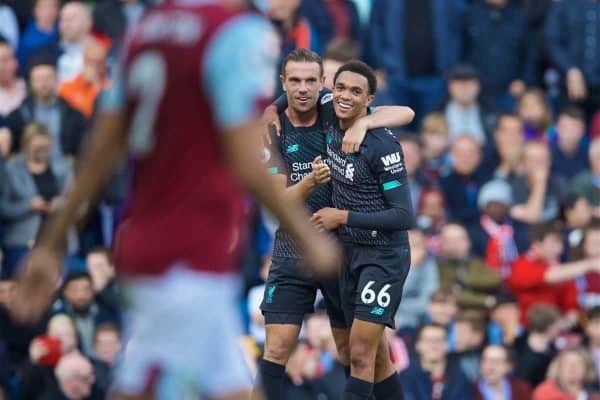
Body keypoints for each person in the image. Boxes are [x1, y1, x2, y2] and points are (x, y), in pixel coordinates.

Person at [11, 1, 341, 400]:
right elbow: (245, 155)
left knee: (213, 384)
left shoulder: (147, 29)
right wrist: (306, 233)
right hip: (192, 246)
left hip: (144, 241)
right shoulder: (236, 32)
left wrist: (52, 242)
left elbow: (101, 148)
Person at [258, 49, 414, 400]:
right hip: (294, 247)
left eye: (311, 80)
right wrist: (312, 182)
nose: (303, 88)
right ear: (282, 83)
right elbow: (278, 203)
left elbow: (405, 111)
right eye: (294, 81)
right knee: (278, 347)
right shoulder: (270, 127)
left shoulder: (334, 110)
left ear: (321, 84)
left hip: (344, 248)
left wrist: (366, 121)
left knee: (362, 353)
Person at [311, 60, 414, 399]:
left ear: (369, 98)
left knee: (359, 353)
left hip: (383, 255)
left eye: (356, 92)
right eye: (340, 88)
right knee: (367, 356)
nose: (345, 96)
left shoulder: (382, 145)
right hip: (346, 253)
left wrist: (343, 217)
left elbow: (403, 216)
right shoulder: (327, 109)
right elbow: (293, 95)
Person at [0, 123, 73, 275]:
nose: (42, 152)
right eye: (37, 147)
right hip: (23, 241)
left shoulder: (63, 167)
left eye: (45, 148)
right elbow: (3, 207)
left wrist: (62, 204)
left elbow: (79, 202)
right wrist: (28, 206)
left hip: (58, 240)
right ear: (26, 144)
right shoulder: (11, 169)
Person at [400, 323, 474, 400]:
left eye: (439, 340)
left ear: (447, 344)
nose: (434, 346)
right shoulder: (405, 379)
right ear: (418, 345)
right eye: (428, 340)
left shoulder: (460, 378)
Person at [533, 348, 600, 400]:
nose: (572, 367)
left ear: (587, 369)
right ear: (559, 368)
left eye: (578, 363)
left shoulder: (595, 396)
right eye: (567, 363)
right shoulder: (546, 393)